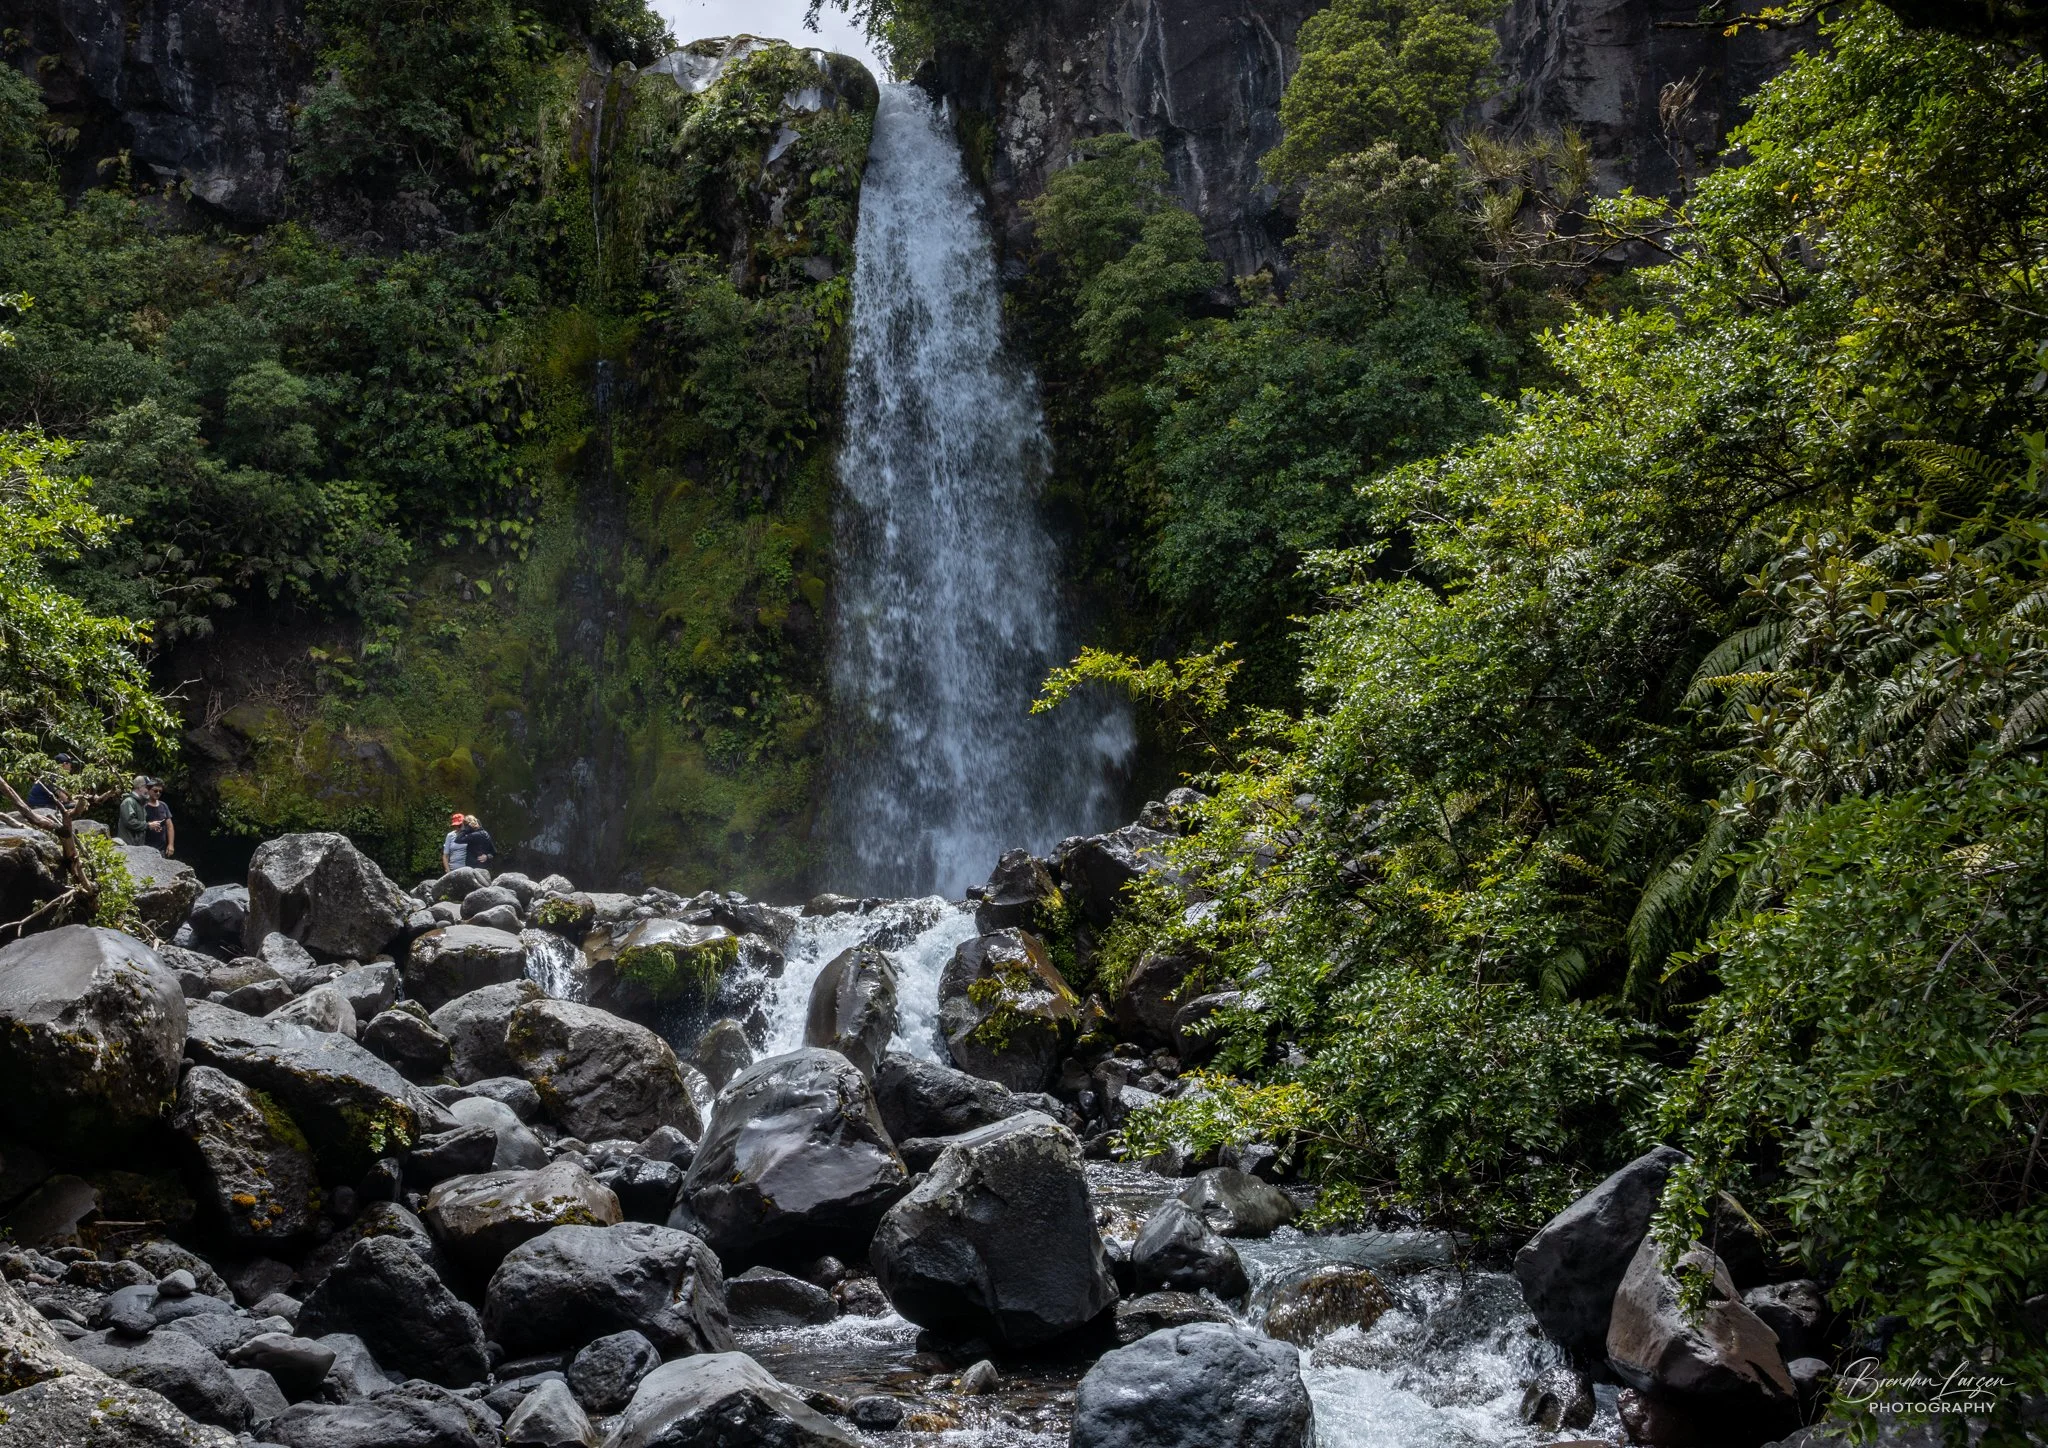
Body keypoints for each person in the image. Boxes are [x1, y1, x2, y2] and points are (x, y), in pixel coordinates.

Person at [26, 754, 75, 818]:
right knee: (73, 805)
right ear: (64, 764)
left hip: (38, 804)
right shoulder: (52, 777)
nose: (71, 767)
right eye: (70, 764)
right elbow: (65, 799)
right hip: (40, 807)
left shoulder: (51, 775)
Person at [144, 779, 176, 857]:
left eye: (160, 791)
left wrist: (171, 844)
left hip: (161, 849)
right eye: (155, 791)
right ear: (148, 790)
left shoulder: (163, 805)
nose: (158, 793)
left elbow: (170, 826)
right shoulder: (143, 806)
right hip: (145, 848)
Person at [117, 776, 151, 845]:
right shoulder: (128, 801)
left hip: (137, 847)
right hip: (127, 846)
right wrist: (148, 825)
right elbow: (130, 822)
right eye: (147, 787)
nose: (148, 791)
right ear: (140, 787)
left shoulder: (140, 803)